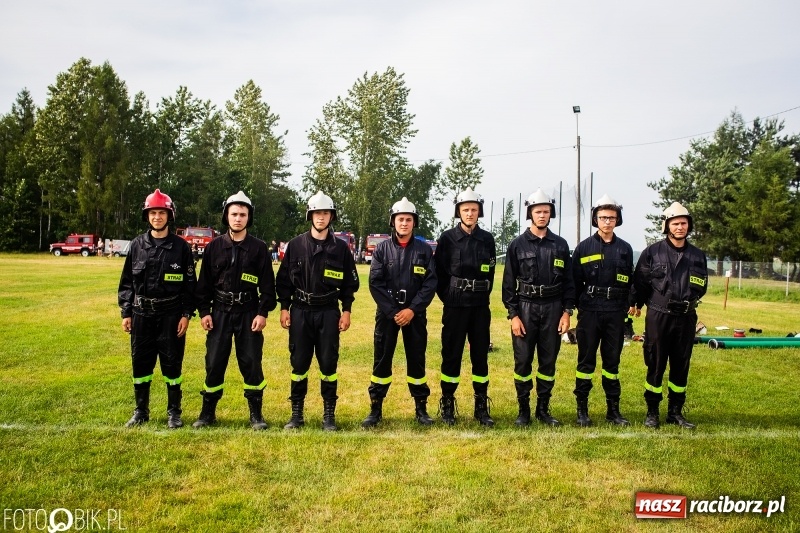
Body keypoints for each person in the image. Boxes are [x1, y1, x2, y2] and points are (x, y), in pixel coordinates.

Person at [193, 191, 277, 430]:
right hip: (219, 313)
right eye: (233, 214)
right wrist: (204, 312)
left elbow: (268, 287)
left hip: (249, 313)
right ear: (226, 216)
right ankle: (207, 413)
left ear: (249, 217)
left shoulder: (259, 248)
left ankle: (256, 415)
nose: (238, 218)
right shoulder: (214, 248)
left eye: (242, 214)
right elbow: (203, 285)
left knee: (251, 362)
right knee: (214, 361)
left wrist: (262, 313)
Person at [276, 191, 359, 431]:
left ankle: (329, 416)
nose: (320, 218)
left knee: (328, 365)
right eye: (316, 213)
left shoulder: (341, 249)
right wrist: (284, 308)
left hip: (328, 312)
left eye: (325, 213)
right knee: (299, 364)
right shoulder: (296, 245)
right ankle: (296, 414)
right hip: (300, 311)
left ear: (331, 216)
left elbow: (349, 285)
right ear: (310, 215)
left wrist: (347, 311)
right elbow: (283, 281)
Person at [118, 189, 196, 429]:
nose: (157, 217)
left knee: (172, 364)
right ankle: (141, 411)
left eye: (161, 213)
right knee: (140, 364)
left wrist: (186, 314)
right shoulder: (137, 245)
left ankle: (174, 412)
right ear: (147, 216)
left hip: (170, 316)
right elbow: (127, 282)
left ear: (169, 215)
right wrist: (126, 312)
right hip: (141, 315)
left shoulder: (181, 248)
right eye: (153, 213)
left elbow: (189, 285)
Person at [361, 197, 437, 428]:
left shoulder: (424, 250)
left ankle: (421, 409)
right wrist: (394, 311)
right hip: (388, 315)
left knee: (417, 360)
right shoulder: (382, 249)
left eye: (408, 219)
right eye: (400, 219)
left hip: (415, 315)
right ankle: (375, 409)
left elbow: (430, 282)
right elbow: (375, 283)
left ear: (414, 223)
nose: (404, 223)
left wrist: (412, 310)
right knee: (381, 361)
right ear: (392, 222)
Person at [502, 188, 575, 427]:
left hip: (553, 308)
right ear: (530, 213)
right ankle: (523, 410)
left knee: (548, 361)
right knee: (523, 361)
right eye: (538, 211)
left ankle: (543, 409)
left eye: (546, 211)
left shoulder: (561, 245)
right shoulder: (517, 244)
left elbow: (569, 282)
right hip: (525, 307)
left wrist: (567, 312)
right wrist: (513, 315)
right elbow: (508, 284)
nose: (542, 215)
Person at [632, 202, 708, 429]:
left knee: (681, 364)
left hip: (685, 317)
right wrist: (635, 302)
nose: (680, 227)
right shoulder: (652, 252)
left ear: (688, 226)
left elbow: (702, 285)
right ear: (666, 226)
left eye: (684, 223)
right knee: (655, 362)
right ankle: (652, 412)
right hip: (659, 316)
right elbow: (640, 282)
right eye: (675, 223)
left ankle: (675, 412)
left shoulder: (697, 255)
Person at [433, 188, 496, 427]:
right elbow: (438, 273)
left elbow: (490, 273)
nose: (470, 213)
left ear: (479, 211)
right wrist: (449, 298)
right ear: (458, 212)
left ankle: (481, 406)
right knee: (451, 355)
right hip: (455, 307)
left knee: (480, 356)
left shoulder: (487, 239)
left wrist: (481, 294)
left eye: (474, 209)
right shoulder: (447, 238)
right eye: (465, 209)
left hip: (480, 307)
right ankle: (447, 403)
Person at [571, 194, 634, 427]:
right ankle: (582, 410)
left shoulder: (625, 249)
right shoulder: (583, 247)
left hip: (615, 312)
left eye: (612, 218)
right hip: (590, 311)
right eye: (603, 217)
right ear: (595, 219)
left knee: (612, 362)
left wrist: (629, 304)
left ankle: (613, 410)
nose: (607, 221)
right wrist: (580, 306)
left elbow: (630, 282)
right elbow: (574, 281)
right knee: (586, 361)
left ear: (617, 220)